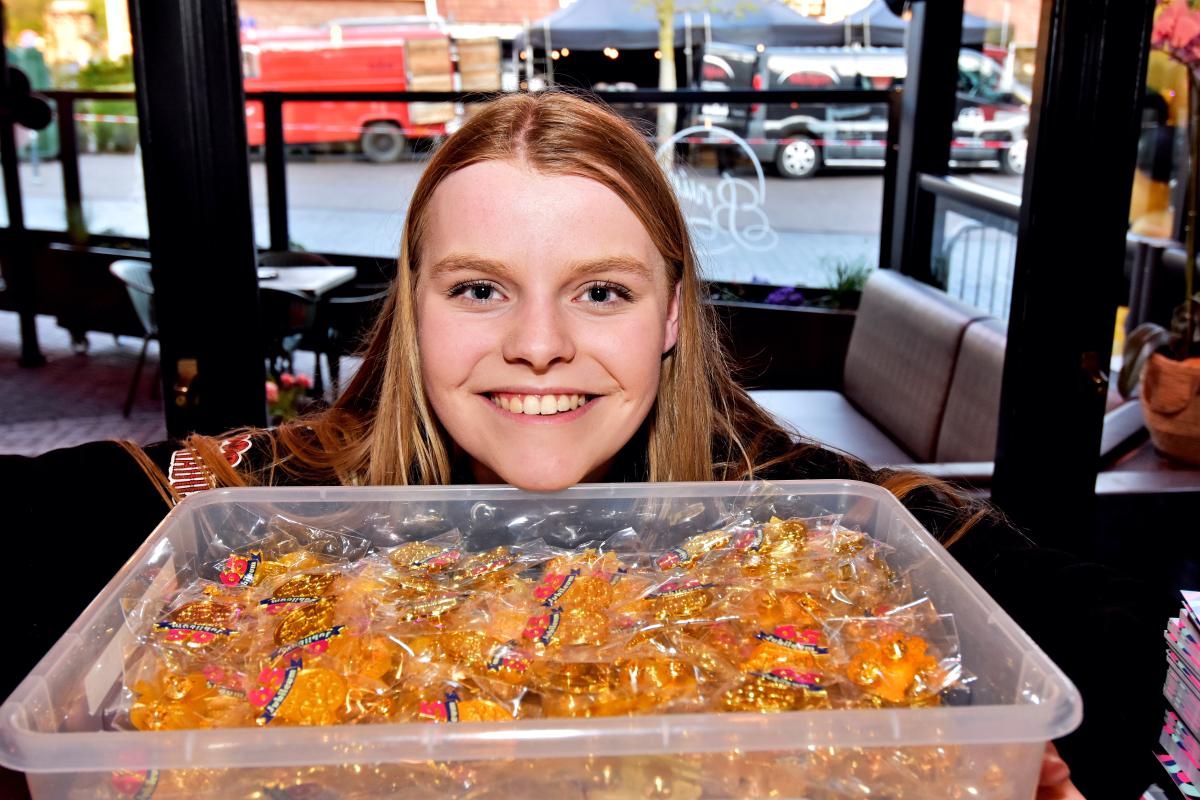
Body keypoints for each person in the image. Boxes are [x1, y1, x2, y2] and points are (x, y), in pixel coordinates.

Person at [1, 91, 1165, 799]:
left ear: (671, 314)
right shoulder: (258, 504)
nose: (539, 344)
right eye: (479, 288)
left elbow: (1123, 642)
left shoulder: (804, 512)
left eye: (601, 290)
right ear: (414, 308)